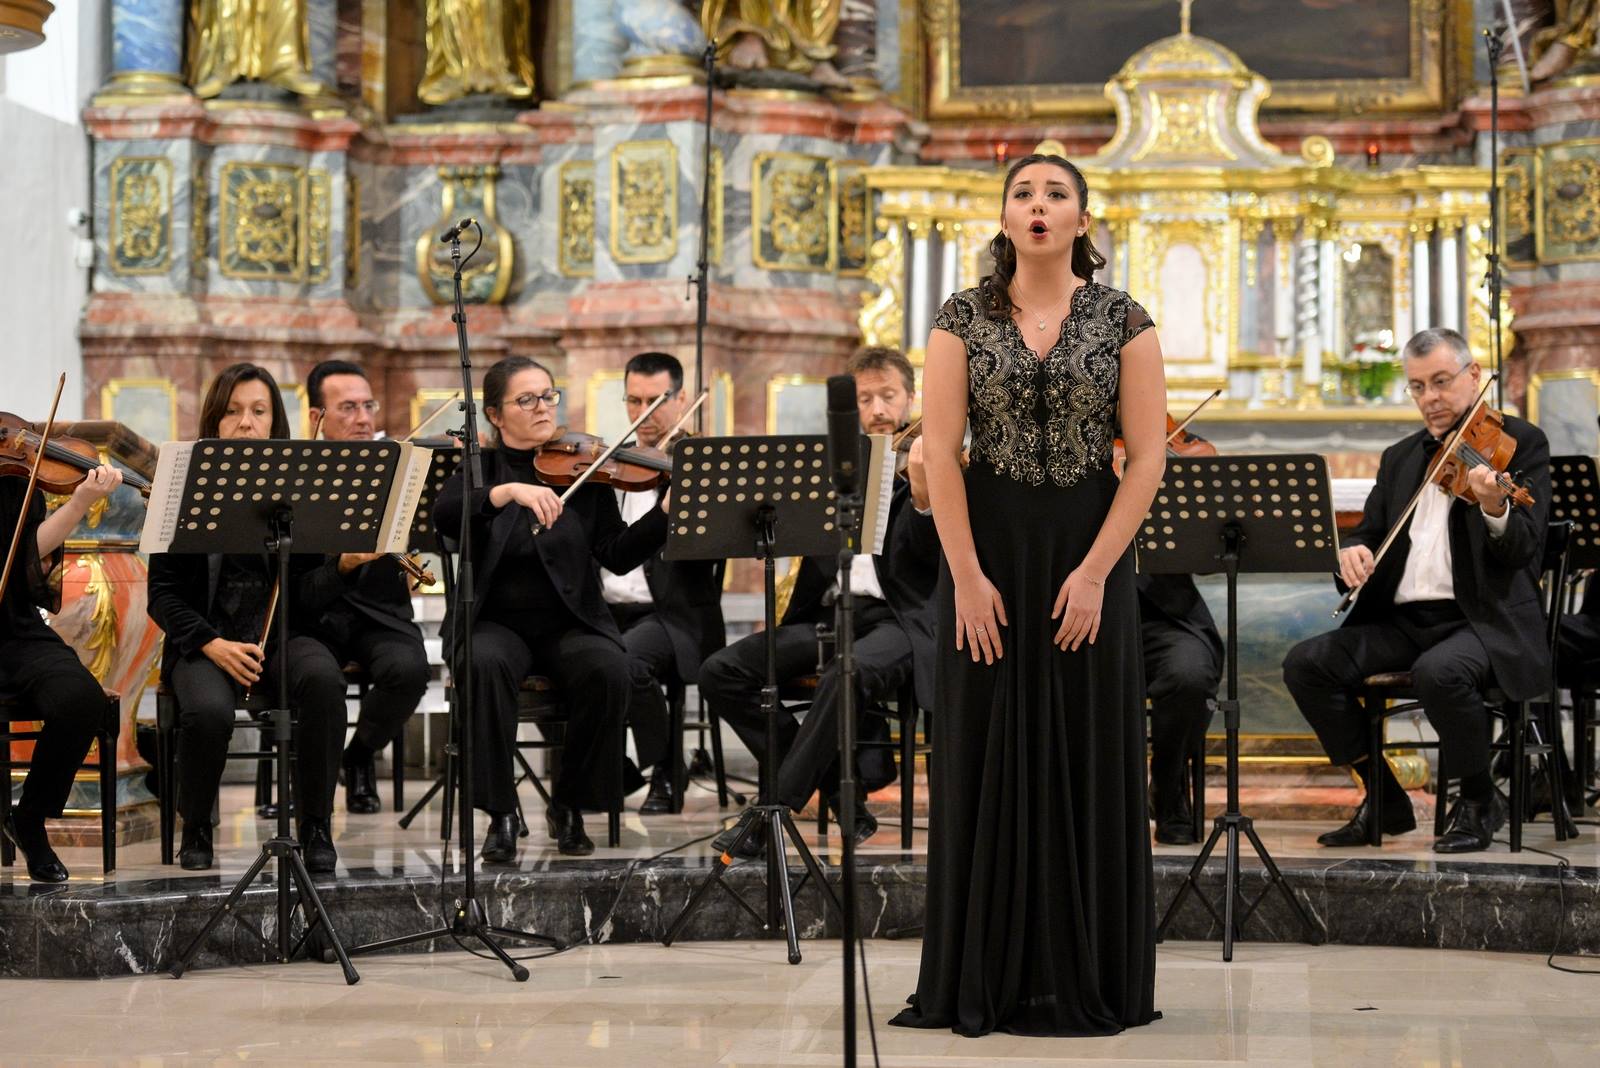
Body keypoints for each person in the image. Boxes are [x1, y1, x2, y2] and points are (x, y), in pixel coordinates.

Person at [891, 153, 1167, 1038]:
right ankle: (983, 974)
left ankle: (1089, 975)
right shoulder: (958, 318)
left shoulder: (1124, 318)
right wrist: (966, 577)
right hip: (988, 553)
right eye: (1023, 194)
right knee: (983, 754)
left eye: (1056, 194)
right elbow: (940, 454)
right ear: (1005, 218)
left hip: (1091, 552)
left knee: (1087, 752)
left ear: (1082, 219)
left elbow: (1147, 458)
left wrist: (1095, 573)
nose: (1038, 206)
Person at [1281, 327, 1552, 854]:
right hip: (1404, 623)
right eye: (1418, 386)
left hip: (1481, 621)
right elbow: (1368, 532)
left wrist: (1494, 506)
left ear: (1474, 376)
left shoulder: (1521, 442)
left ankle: (1479, 800)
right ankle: (1384, 796)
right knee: (1306, 664)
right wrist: (1352, 552)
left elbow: (1524, 549)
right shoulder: (1401, 457)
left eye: (1442, 382)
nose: (1430, 398)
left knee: (1440, 672)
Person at [698, 345, 939, 857]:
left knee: (845, 672)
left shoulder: (931, 457)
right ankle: (837, 794)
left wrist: (923, 499)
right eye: (865, 399)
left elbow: (935, 562)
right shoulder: (831, 467)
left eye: (888, 396)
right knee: (722, 671)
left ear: (911, 397)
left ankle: (774, 808)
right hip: (831, 612)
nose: (877, 409)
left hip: (901, 618)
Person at [433, 356, 669, 860]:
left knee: (610, 669)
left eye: (548, 395)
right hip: (494, 622)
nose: (543, 407)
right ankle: (500, 812)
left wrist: (665, 514)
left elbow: (617, 554)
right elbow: (447, 515)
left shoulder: (584, 469)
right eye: (527, 399)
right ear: (495, 415)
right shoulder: (480, 468)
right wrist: (506, 492)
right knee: (482, 663)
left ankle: (570, 804)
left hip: (569, 623)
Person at [147, 363, 366, 873]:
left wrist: (344, 566)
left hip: (282, 637)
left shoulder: (298, 491)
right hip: (204, 642)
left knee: (324, 681)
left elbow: (305, 596)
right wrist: (211, 644)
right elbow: (161, 595)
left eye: (259, 411)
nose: (246, 422)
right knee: (208, 711)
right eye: (233, 411)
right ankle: (197, 824)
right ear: (213, 420)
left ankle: (316, 824)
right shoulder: (182, 486)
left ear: (274, 422)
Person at [598, 352, 726, 815]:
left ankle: (667, 769)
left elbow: (719, 549)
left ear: (683, 398)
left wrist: (688, 497)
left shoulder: (701, 467)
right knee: (563, 660)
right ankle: (614, 772)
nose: (643, 413)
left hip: (672, 615)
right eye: (634, 401)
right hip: (605, 611)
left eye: (655, 401)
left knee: (626, 662)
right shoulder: (608, 466)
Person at [305, 360, 430, 814]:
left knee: (410, 670)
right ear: (317, 416)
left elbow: (424, 528)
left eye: (368, 406)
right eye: (348, 408)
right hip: (316, 613)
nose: (363, 418)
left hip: (381, 611)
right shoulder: (299, 471)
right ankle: (305, 780)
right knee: (307, 676)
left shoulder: (399, 467)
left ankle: (359, 755)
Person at [0, 453, 123, 881]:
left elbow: (26, 559)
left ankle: (30, 818)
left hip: (15, 631)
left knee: (80, 698)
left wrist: (81, 500)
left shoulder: (14, 476)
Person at [1140, 572, 1223, 845]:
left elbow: (1207, 557)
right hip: (1071, 609)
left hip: (1163, 617)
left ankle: (1167, 787)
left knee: (1191, 677)